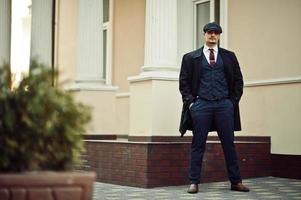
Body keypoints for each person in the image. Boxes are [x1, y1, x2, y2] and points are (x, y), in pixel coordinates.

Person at [179, 22, 249, 193]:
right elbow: (184, 83)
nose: (212, 35)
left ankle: (236, 181)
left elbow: (239, 81)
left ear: (219, 36)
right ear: (204, 34)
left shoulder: (229, 56)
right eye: (210, 32)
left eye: (216, 33)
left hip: (224, 105)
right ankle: (194, 182)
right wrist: (192, 103)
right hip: (201, 104)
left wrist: (231, 102)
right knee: (198, 144)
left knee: (229, 145)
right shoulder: (190, 57)